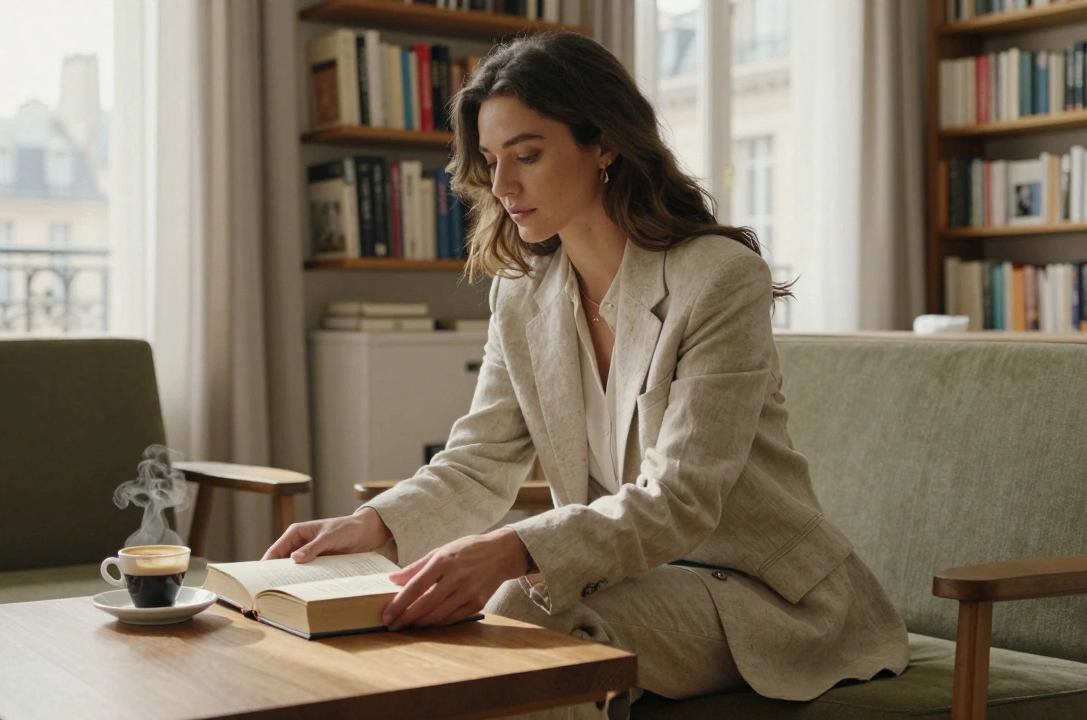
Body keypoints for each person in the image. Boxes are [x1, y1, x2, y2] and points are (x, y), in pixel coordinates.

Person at [265, 31, 909, 718]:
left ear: (603, 144)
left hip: (765, 594)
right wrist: (372, 526)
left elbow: (682, 499)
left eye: (527, 155)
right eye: (491, 161)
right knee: (465, 620)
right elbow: (478, 462)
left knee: (523, 609)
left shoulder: (718, 280)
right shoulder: (522, 295)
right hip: (633, 579)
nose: (503, 186)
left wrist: (511, 549)